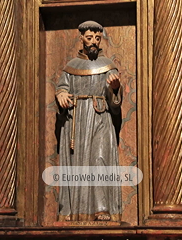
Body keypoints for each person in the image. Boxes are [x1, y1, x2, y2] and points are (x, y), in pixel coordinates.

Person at [55, 21, 122, 221]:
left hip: (100, 117)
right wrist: (61, 94)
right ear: (81, 38)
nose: (93, 42)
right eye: (89, 38)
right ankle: (73, 210)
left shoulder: (108, 66)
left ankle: (102, 208)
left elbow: (115, 104)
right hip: (76, 120)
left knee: (99, 159)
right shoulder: (71, 67)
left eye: (97, 38)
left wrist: (115, 88)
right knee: (77, 164)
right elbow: (62, 87)